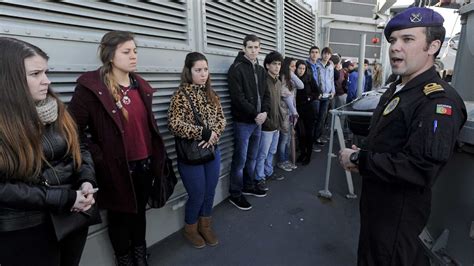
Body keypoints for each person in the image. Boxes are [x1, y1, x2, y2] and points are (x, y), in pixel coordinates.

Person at [338, 7, 467, 265]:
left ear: (433, 46)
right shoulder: (402, 88)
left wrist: (361, 159)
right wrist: (363, 155)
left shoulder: (437, 101)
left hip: (397, 217)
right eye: (393, 40)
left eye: (408, 40)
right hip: (377, 206)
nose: (395, 47)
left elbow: (420, 168)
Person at [69, 31, 166, 265]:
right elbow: (72, 130)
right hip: (115, 170)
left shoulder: (139, 86)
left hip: (144, 165)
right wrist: (100, 157)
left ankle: (140, 255)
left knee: (140, 213)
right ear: (110, 55)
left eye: (135, 51)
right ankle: (124, 259)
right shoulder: (91, 88)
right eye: (127, 52)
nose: (133, 56)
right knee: (119, 218)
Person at [0, 37, 97, 265]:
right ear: (9, 79)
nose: (47, 81)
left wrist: (86, 180)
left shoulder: (55, 108)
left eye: (45, 72)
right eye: (36, 74)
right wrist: (64, 197)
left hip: (72, 216)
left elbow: (80, 148)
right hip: (26, 228)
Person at [168, 52, 226, 248]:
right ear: (188, 71)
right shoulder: (180, 95)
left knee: (210, 191)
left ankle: (205, 225)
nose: (203, 74)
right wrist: (203, 133)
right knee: (198, 194)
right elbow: (174, 124)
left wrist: (214, 135)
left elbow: (221, 119)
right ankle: (190, 228)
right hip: (191, 155)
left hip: (212, 151)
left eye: (206, 70)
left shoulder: (212, 93)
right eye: (198, 70)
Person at [227, 34, 270, 210]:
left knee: (252, 157)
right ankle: (235, 194)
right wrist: (255, 114)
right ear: (244, 48)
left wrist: (265, 112)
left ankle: (248, 185)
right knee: (241, 159)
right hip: (244, 122)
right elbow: (238, 98)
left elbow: (266, 95)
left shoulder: (260, 70)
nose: (253, 50)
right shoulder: (236, 68)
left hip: (258, 121)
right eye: (250, 47)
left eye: (256, 47)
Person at [253, 51, 285, 192]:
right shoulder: (263, 80)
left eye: (279, 64)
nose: (277, 67)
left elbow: (278, 104)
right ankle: (259, 178)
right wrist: (267, 121)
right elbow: (262, 103)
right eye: (274, 64)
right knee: (262, 153)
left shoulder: (278, 82)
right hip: (266, 125)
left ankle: (268, 171)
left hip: (276, 124)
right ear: (267, 65)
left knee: (272, 151)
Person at [277, 57, 302, 172]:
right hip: (284, 112)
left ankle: (285, 160)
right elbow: (286, 97)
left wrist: (291, 74)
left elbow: (301, 85)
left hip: (290, 112)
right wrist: (294, 112)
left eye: (295, 66)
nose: (294, 68)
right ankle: (282, 161)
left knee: (287, 139)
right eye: (292, 66)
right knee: (284, 139)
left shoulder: (289, 78)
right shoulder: (282, 78)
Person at [295, 60, 321, 164]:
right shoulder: (293, 79)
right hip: (297, 110)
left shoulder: (309, 78)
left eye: (303, 68)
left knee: (308, 134)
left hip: (309, 109)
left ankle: (308, 156)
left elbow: (317, 92)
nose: (301, 70)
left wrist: (310, 97)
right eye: (299, 68)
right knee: (301, 134)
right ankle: (302, 153)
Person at [314, 47, 335, 146]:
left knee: (323, 117)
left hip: (327, 96)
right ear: (321, 54)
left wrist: (333, 91)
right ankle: (313, 138)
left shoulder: (331, 66)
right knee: (316, 117)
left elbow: (331, 80)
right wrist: (317, 92)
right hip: (318, 95)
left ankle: (318, 137)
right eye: (325, 53)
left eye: (328, 54)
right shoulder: (316, 65)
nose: (326, 55)